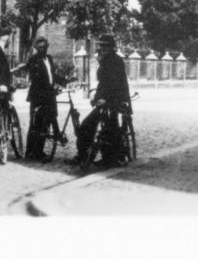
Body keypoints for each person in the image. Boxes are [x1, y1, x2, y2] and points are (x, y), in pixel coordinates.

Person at [75, 32, 131, 165]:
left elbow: (117, 85)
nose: (102, 49)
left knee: (111, 128)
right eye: (101, 46)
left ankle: (113, 158)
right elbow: (103, 83)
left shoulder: (117, 62)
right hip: (104, 101)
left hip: (116, 100)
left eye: (105, 46)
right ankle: (82, 155)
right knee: (86, 126)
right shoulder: (104, 60)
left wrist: (106, 100)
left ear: (112, 47)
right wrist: (96, 97)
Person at [20, 35, 62, 158]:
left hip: (49, 96)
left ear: (47, 47)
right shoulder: (34, 60)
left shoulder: (49, 58)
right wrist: (49, 89)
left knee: (47, 122)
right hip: (38, 96)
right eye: (39, 47)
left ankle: (39, 151)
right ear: (36, 48)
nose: (42, 49)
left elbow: (52, 76)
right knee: (36, 124)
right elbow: (37, 80)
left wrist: (65, 81)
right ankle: (30, 151)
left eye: (44, 47)